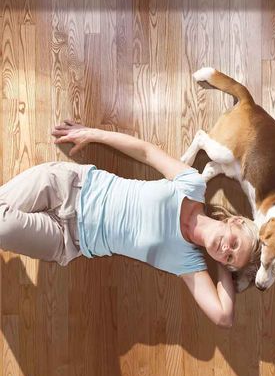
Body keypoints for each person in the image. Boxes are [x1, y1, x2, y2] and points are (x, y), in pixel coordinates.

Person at [0, 120, 258, 328]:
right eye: (235, 243)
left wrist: (223, 265)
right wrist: (92, 133)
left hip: (66, 238)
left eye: (230, 258)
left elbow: (223, 317)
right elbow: (146, 152)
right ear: (234, 221)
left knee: (3, 227)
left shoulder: (188, 263)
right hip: (69, 186)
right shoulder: (192, 185)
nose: (227, 250)